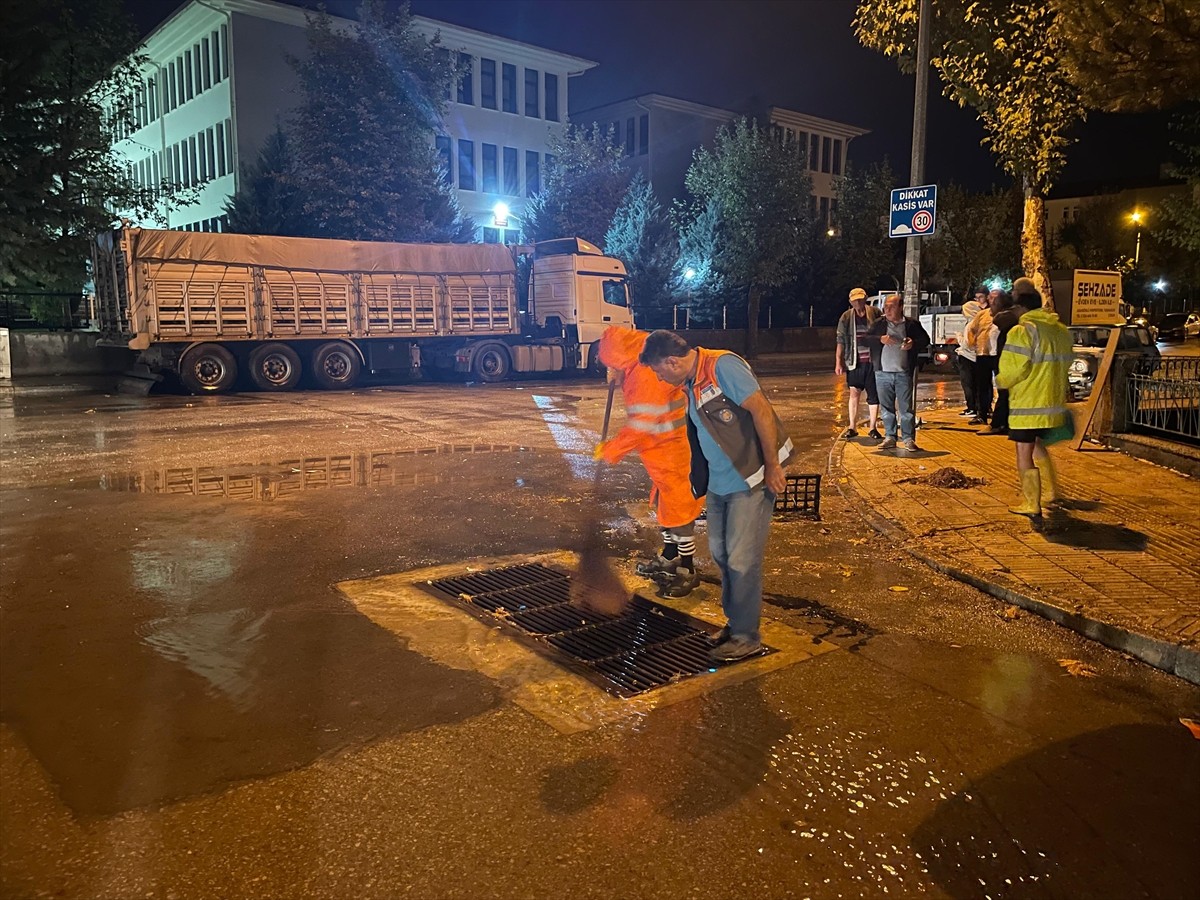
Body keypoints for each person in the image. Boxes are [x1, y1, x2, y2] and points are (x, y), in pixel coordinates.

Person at [639, 330, 794, 662]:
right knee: (722, 555)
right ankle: (735, 623)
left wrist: (773, 466)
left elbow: (762, 411)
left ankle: (746, 636)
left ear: (671, 361)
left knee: (741, 559)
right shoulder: (690, 382)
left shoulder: (722, 366)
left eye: (658, 369)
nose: (659, 376)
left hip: (750, 478)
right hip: (720, 484)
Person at [595, 327, 704, 597]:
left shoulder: (644, 377)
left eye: (612, 365)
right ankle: (668, 558)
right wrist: (619, 375)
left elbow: (642, 424)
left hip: (674, 449)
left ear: (620, 358)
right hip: (662, 450)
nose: (611, 369)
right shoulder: (636, 364)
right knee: (666, 506)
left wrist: (612, 450)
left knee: (680, 512)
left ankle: (686, 569)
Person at [995, 279, 1072, 518]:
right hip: (1052, 402)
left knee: (1024, 453)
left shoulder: (1023, 331)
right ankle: (1051, 493)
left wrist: (999, 382)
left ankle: (1032, 503)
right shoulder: (1059, 329)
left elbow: (1013, 371)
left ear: (1020, 308)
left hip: (1027, 404)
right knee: (1039, 446)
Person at [866, 294, 931, 453]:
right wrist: (880, 339)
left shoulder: (911, 324)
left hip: (903, 373)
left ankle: (908, 439)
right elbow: (865, 339)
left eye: (891, 306)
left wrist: (913, 343)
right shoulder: (879, 324)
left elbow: (925, 339)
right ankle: (890, 437)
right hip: (882, 373)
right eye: (886, 306)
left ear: (901, 307)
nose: (887, 309)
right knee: (886, 408)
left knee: (906, 409)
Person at [834, 287, 882, 441]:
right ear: (850, 302)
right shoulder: (846, 317)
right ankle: (852, 426)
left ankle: (873, 427)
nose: (858, 302)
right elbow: (840, 340)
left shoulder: (874, 312)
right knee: (854, 393)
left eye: (861, 299)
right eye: (855, 300)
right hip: (854, 362)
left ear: (866, 298)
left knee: (873, 396)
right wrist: (838, 362)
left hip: (873, 361)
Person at [982, 290, 1018, 435]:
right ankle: (1003, 423)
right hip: (1004, 360)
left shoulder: (1008, 317)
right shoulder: (1011, 317)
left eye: (994, 300)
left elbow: (998, 319)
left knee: (1005, 392)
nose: (991, 303)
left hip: (1009, 362)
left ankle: (998, 424)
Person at [964, 291, 997, 425]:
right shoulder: (982, 315)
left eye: (997, 298)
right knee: (982, 386)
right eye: (992, 298)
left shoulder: (1007, 315)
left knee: (1003, 386)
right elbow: (972, 330)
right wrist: (974, 345)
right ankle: (982, 414)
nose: (993, 301)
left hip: (1000, 355)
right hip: (983, 354)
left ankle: (1001, 417)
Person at [955, 290, 985, 417]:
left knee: (968, 384)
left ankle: (971, 408)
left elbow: (968, 344)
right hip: (979, 357)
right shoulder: (982, 322)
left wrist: (959, 337)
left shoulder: (970, 325)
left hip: (967, 357)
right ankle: (980, 408)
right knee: (978, 384)